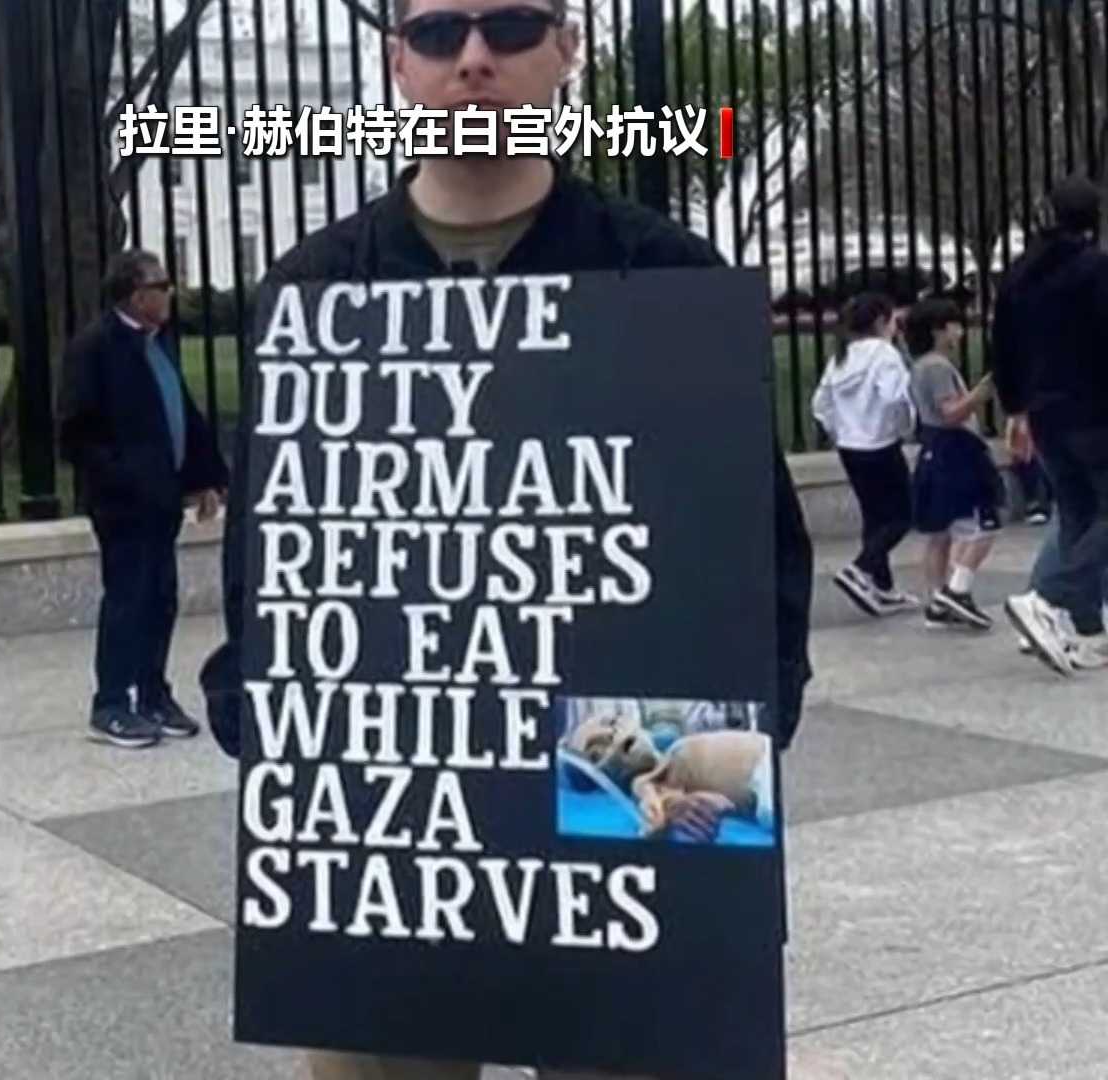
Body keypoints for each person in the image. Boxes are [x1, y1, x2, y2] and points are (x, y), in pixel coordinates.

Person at [196, 0, 816, 1075]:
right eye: (441, 35)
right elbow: (273, 550)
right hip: (394, 816)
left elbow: (752, 549)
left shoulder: (664, 271)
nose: (474, 60)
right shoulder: (318, 286)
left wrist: (728, 746)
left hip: (615, 799)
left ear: (567, 49)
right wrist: (271, 718)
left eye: (512, 27)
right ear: (398, 62)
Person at [58, 249, 229, 746]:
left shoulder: (157, 343)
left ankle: (153, 693)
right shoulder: (95, 348)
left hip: (161, 498)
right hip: (124, 502)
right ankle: (112, 703)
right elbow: (75, 432)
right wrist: (124, 478)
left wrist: (205, 477)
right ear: (137, 296)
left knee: (160, 598)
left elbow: (180, 411)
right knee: (128, 599)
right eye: (162, 286)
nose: (170, 295)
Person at [992, 176, 1108, 676]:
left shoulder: (1020, 275)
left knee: (1080, 516)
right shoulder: (1096, 270)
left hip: (1045, 413)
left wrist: (1016, 409)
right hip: (1095, 410)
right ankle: (1047, 597)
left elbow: (1003, 348)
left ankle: (1090, 633)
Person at [810, 292, 920, 617]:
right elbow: (893, 398)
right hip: (881, 445)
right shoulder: (885, 354)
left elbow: (821, 403)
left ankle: (881, 586)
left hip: (850, 447)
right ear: (881, 321)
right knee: (902, 515)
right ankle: (861, 567)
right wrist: (902, 427)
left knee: (874, 516)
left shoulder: (842, 356)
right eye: (893, 321)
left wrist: (839, 430)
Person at [901, 297, 1002, 631]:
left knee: (939, 532)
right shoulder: (937, 367)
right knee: (983, 524)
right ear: (938, 330)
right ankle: (958, 589)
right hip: (956, 448)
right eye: (954, 325)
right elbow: (951, 412)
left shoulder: (921, 365)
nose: (961, 331)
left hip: (935, 447)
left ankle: (936, 600)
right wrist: (982, 392)